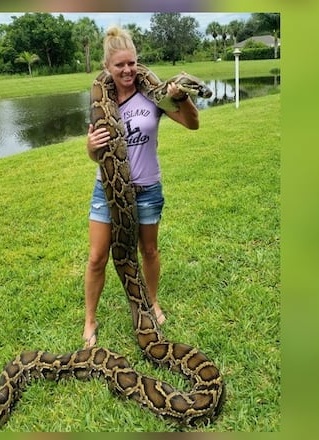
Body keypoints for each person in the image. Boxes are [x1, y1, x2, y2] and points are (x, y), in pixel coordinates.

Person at [82, 26, 200, 348]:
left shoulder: (153, 93)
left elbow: (193, 124)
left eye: (132, 63)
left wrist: (181, 97)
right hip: (107, 190)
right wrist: (90, 147)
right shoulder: (101, 99)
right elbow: (96, 153)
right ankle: (90, 319)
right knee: (97, 256)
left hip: (147, 188)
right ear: (107, 67)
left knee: (148, 250)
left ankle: (151, 302)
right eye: (120, 65)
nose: (127, 70)